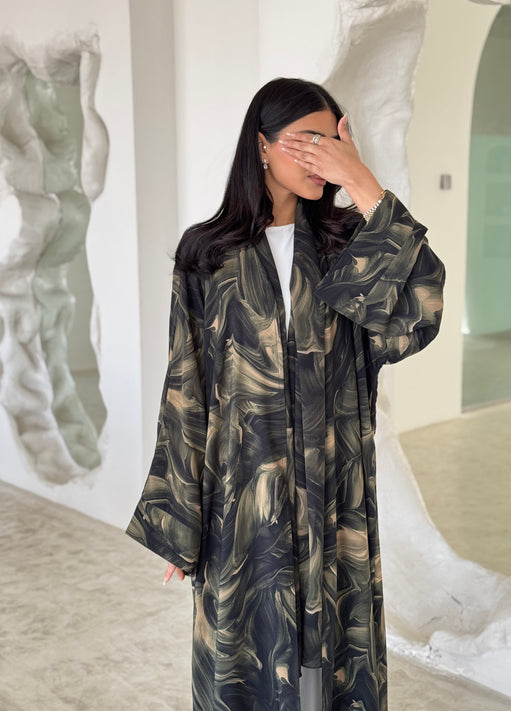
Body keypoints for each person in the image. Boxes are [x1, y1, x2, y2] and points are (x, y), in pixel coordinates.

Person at [126, 77, 445, 711]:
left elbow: (420, 308)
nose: (322, 155)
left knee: (330, 669)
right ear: (263, 145)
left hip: (335, 494)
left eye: (333, 141)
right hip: (245, 500)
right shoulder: (207, 255)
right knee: (249, 659)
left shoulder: (346, 244)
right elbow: (186, 388)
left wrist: (363, 183)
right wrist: (180, 520)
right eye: (308, 140)